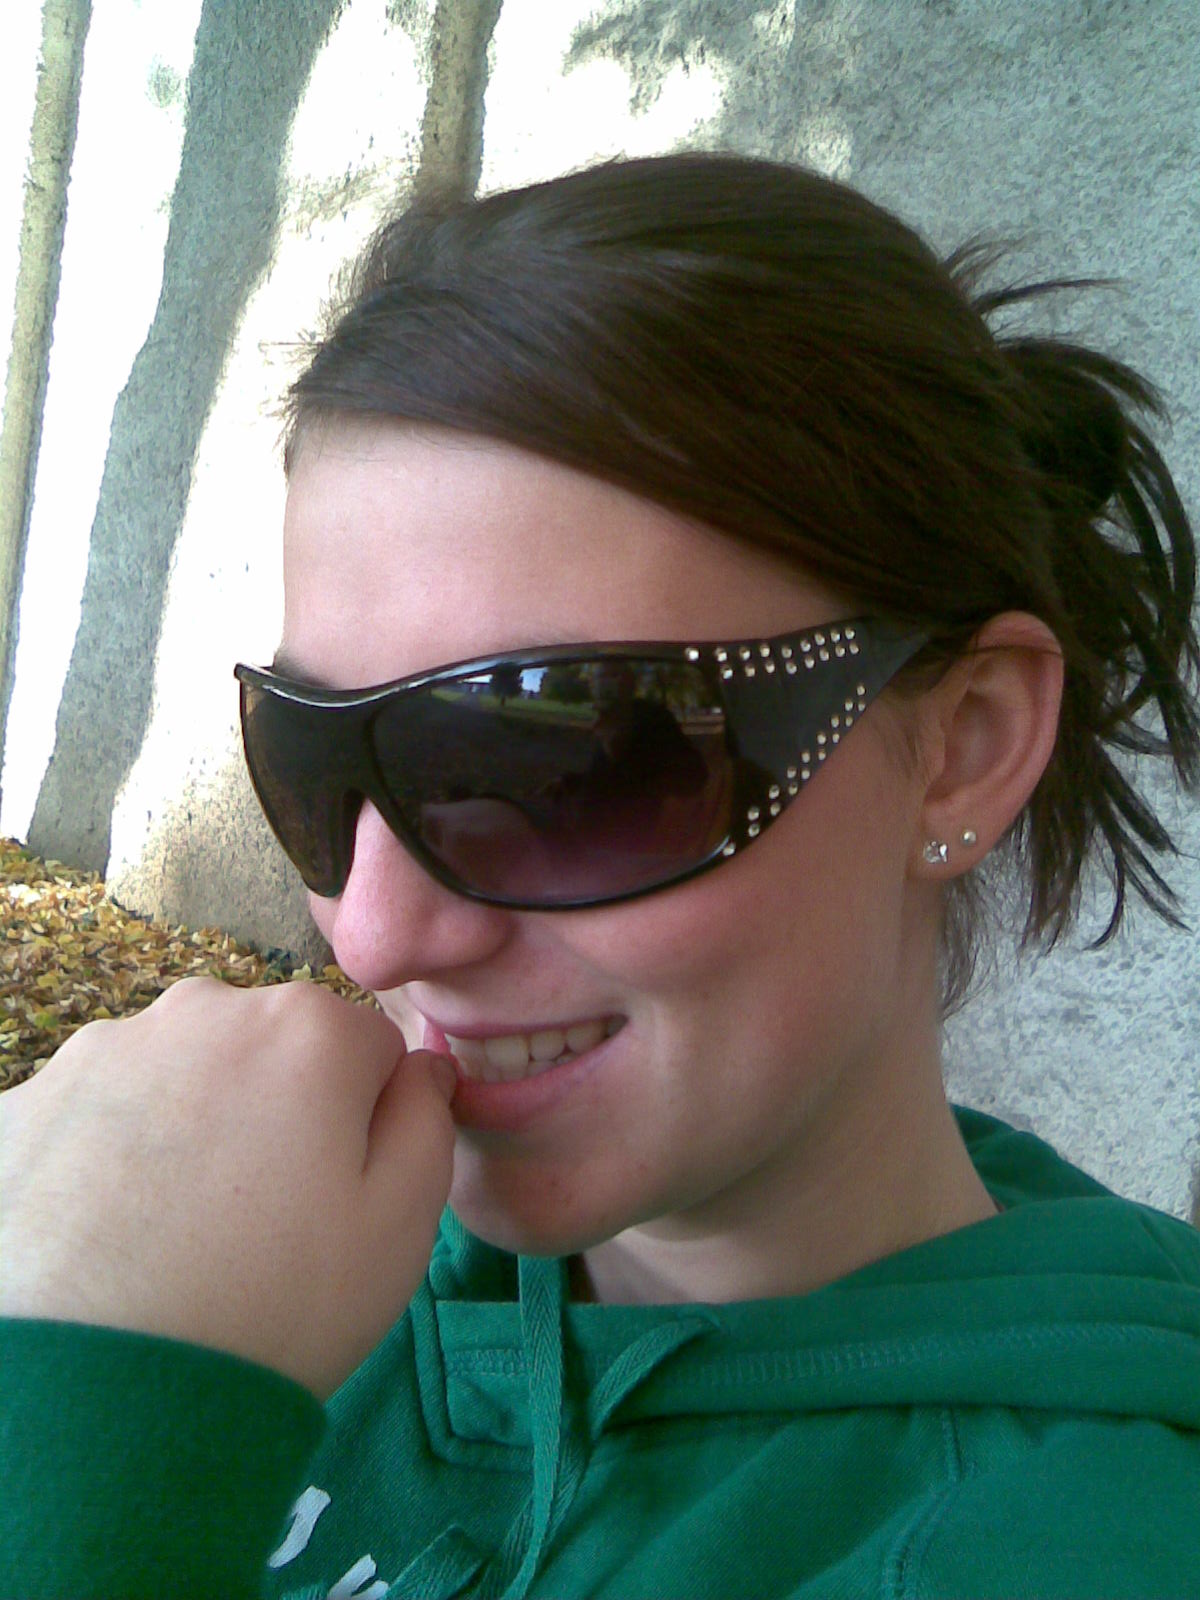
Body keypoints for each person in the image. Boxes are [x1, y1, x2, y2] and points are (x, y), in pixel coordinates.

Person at [2, 150, 1200, 1600]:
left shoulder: (1080, 1544)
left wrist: (82, 1430)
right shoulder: (252, 1249)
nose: (373, 935)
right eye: (315, 755)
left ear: (965, 745)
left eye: (558, 761)